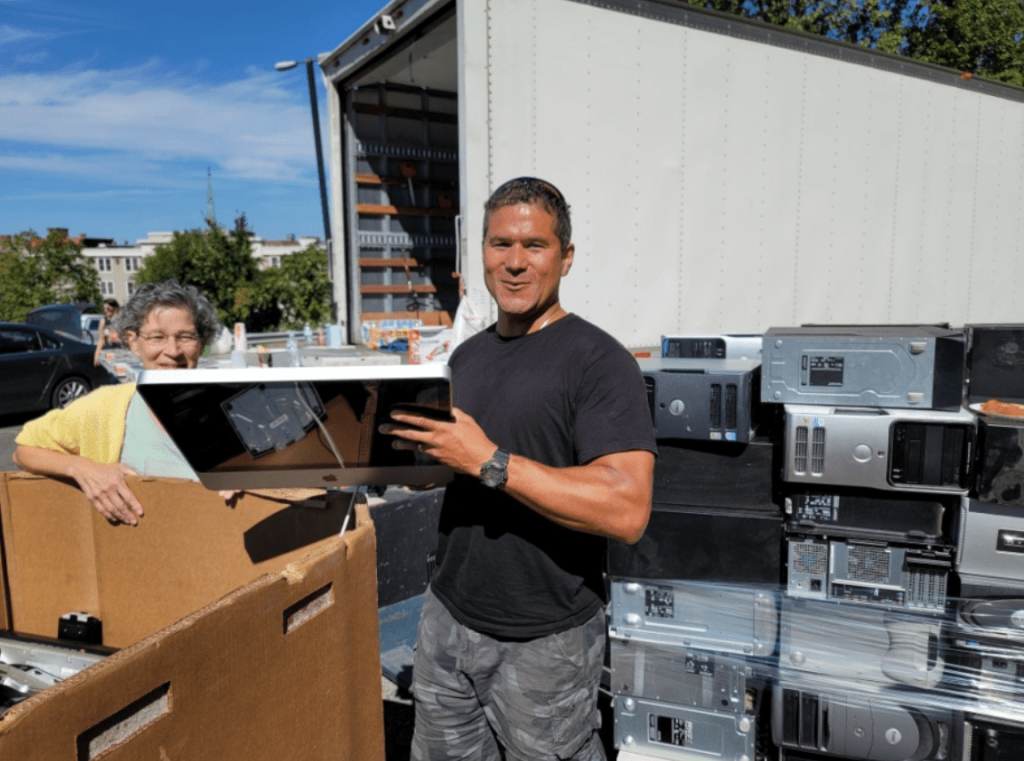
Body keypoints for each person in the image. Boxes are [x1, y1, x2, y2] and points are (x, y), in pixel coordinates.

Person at [382, 177, 657, 761]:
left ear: (566, 257)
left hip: (547, 639)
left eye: (534, 246)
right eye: (500, 244)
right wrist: (411, 459)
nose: (514, 262)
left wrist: (488, 460)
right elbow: (452, 467)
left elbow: (627, 508)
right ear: (481, 252)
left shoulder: (600, 361)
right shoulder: (466, 356)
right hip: (447, 618)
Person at [14, 280, 223, 526]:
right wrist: (81, 467)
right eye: (157, 337)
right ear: (133, 341)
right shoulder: (106, 407)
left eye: (186, 337)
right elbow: (24, 451)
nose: (173, 350)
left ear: (202, 342)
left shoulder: (231, 406)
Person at [93, 298, 122, 366]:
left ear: (115, 308)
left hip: (122, 353)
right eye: (104, 309)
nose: (105, 311)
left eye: (108, 309)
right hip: (110, 353)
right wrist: (97, 355)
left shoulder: (122, 320)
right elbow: (101, 340)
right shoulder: (103, 322)